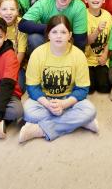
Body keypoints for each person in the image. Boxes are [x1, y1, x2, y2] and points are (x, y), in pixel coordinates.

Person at [19, 15, 98, 143]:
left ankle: (40, 129)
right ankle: (79, 122)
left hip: (69, 100)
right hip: (45, 100)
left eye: (63, 32)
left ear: (70, 35)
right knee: (27, 111)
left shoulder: (78, 55)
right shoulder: (37, 54)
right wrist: (48, 104)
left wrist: (64, 104)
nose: (59, 36)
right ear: (48, 34)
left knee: (90, 110)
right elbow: (32, 87)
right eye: (54, 32)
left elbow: (82, 89)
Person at [19, 0, 87, 56]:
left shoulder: (79, 7)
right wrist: (51, 29)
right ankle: (41, 64)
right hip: (48, 38)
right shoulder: (44, 3)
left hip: (68, 41)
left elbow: (80, 41)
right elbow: (22, 24)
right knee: (34, 38)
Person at [0, 0, 28, 91]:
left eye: (12, 9)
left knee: (19, 87)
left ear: (17, 11)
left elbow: (21, 53)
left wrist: (10, 72)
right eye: (4, 9)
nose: (8, 13)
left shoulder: (21, 25)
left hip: (16, 65)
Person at [85, 0, 112, 94]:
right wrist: (98, 31)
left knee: (104, 87)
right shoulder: (83, 15)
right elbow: (86, 41)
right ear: (86, 0)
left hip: (102, 59)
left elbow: (111, 39)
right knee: (89, 89)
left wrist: (105, 55)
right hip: (87, 59)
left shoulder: (107, 15)